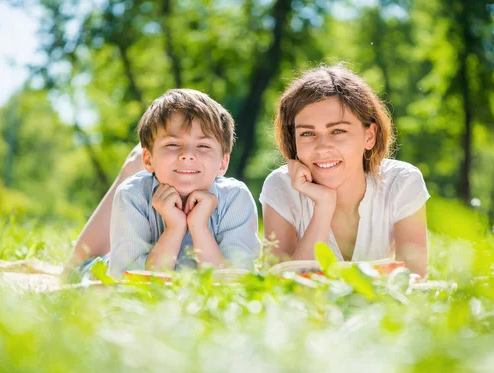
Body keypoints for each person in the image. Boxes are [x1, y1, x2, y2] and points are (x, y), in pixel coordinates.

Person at [259, 64, 429, 277]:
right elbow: (278, 286)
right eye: (307, 134)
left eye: (338, 131)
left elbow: (414, 281)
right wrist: (323, 206)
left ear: (369, 136)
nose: (322, 147)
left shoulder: (402, 183)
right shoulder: (281, 187)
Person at [75, 88, 261, 281]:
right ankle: (72, 268)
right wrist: (174, 228)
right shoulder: (132, 195)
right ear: (148, 159)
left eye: (203, 146)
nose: (188, 154)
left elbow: (235, 282)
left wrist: (199, 226)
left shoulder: (235, 198)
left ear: (223, 163)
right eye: (172, 144)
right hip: (103, 269)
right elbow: (130, 284)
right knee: (78, 270)